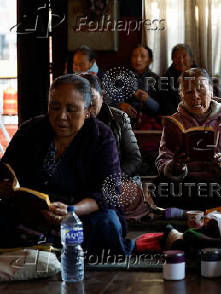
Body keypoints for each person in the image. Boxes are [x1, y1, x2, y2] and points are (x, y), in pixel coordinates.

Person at [0, 74, 134, 255]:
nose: (61, 116)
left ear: (88, 111)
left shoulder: (101, 136)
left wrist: (72, 211)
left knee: (108, 223)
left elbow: (109, 193)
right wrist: (6, 186)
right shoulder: (30, 130)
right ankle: (45, 242)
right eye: (55, 108)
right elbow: (6, 169)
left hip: (81, 213)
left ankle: (48, 243)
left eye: (71, 109)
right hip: (36, 213)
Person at [154, 68, 221, 210]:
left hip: (220, 185)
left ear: (211, 90)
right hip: (189, 185)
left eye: (201, 90)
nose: (195, 96)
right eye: (188, 92)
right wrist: (175, 166)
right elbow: (162, 161)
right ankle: (213, 209)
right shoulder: (174, 123)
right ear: (181, 95)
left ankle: (187, 211)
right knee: (158, 188)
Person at [79, 73, 142, 178]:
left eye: (92, 98)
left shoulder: (119, 118)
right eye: (82, 99)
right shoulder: (70, 119)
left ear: (102, 95)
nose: (88, 105)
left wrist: (114, 179)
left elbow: (134, 159)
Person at [118, 44, 162, 129]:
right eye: (135, 56)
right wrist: (121, 105)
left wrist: (147, 99)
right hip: (125, 119)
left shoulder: (156, 79)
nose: (138, 59)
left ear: (149, 60)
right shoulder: (122, 78)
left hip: (149, 120)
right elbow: (112, 100)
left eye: (143, 56)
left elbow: (159, 108)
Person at [160, 44, 196, 116]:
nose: (181, 60)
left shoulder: (201, 76)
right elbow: (166, 105)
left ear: (191, 59)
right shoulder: (166, 79)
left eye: (184, 56)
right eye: (176, 57)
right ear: (172, 60)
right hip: (176, 117)